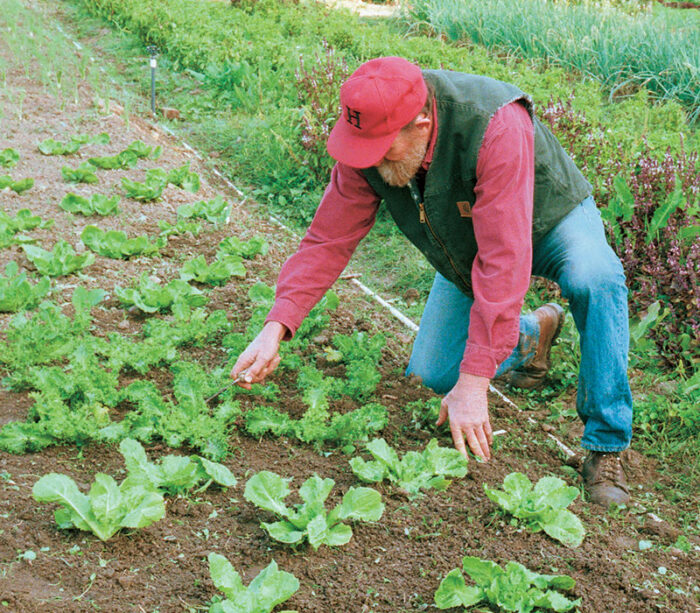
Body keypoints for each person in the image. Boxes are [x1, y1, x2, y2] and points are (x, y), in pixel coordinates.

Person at [231, 56, 633, 507]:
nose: (373, 162)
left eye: (384, 149)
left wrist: (477, 381)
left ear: (422, 123)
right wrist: (276, 327)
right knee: (434, 376)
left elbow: (504, 260)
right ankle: (530, 335)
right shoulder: (368, 144)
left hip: (550, 217)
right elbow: (327, 239)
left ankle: (606, 445)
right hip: (472, 240)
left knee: (595, 278)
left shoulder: (494, 124)